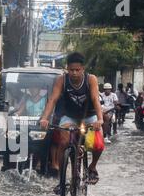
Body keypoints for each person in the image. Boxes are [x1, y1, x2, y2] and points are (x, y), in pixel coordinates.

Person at [39, 52, 104, 186]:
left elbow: (95, 99)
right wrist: (44, 119)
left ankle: (92, 167)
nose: (74, 73)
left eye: (77, 70)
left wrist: (100, 119)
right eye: (71, 70)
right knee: (63, 141)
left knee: (98, 143)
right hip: (70, 116)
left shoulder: (90, 79)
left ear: (83, 69)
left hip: (89, 116)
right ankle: (62, 177)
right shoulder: (61, 80)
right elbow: (52, 100)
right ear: (67, 69)